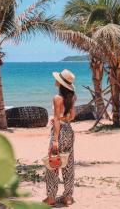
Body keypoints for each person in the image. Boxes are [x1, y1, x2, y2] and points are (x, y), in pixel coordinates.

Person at [43, 69, 76, 207]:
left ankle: (51, 198)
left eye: (57, 79)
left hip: (60, 132)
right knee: (68, 164)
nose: (55, 80)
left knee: (53, 163)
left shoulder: (57, 98)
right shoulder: (72, 97)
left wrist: (55, 140)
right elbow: (72, 116)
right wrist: (62, 119)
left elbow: (56, 120)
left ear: (61, 83)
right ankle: (68, 197)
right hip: (69, 130)